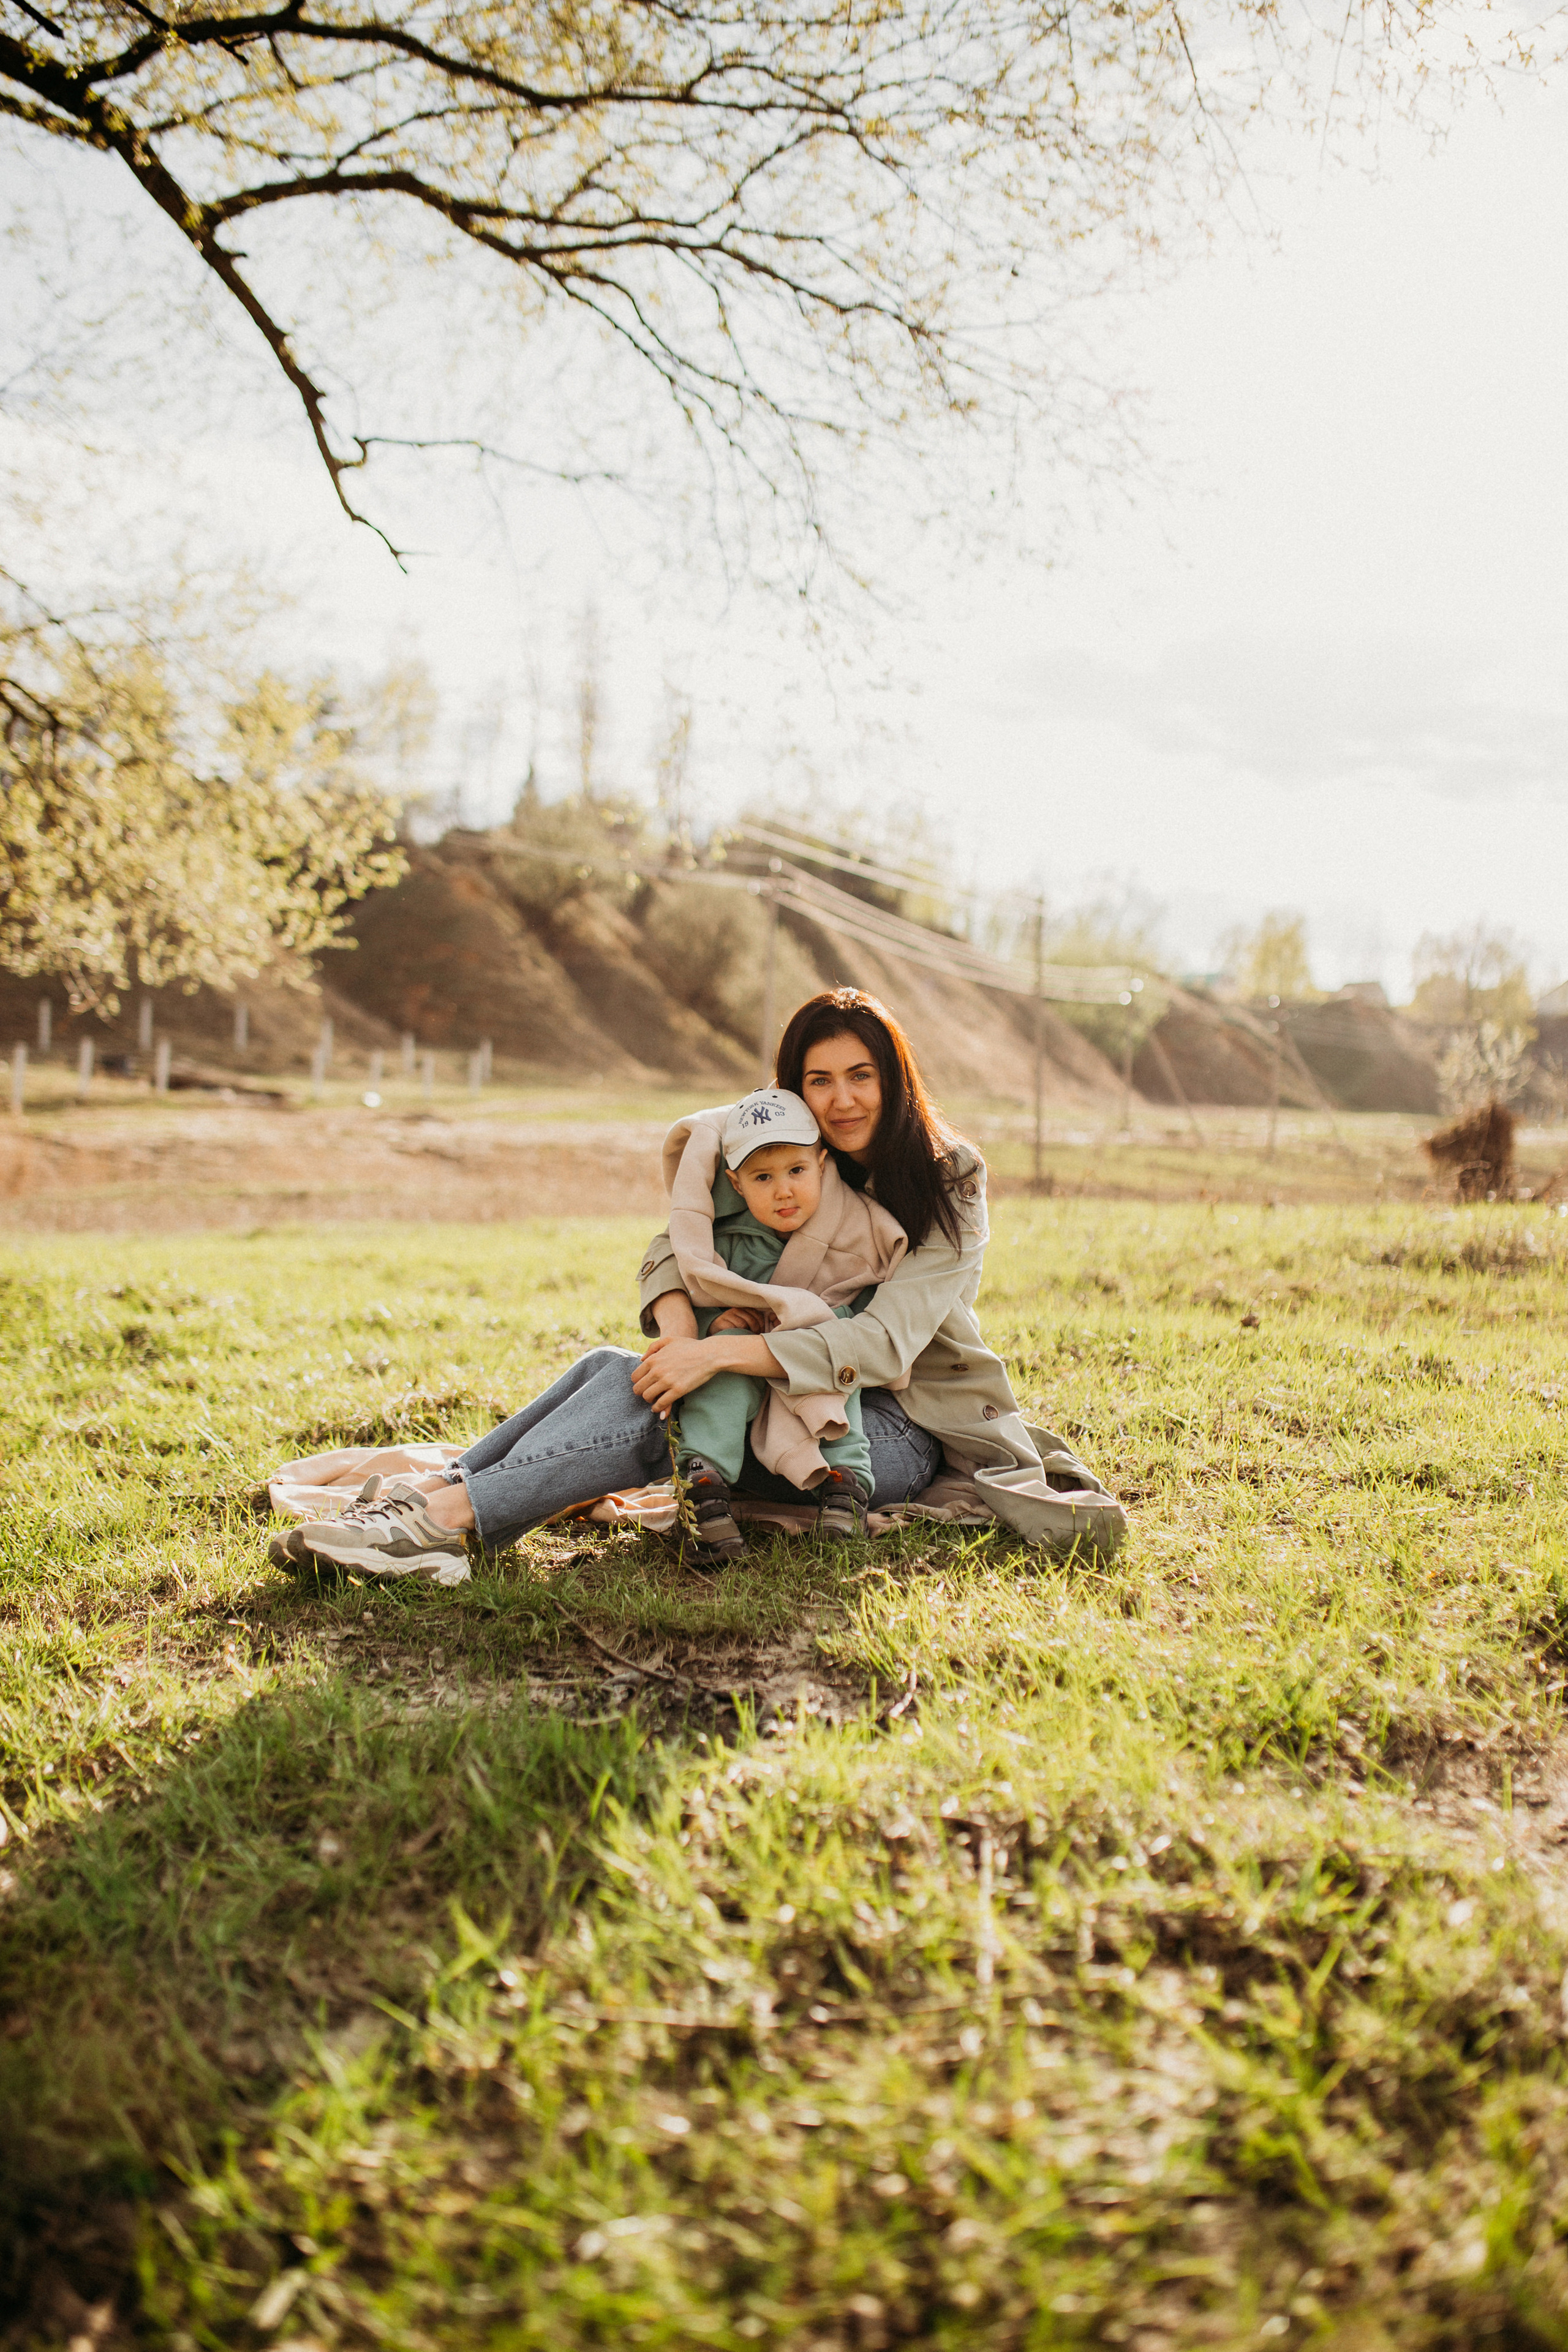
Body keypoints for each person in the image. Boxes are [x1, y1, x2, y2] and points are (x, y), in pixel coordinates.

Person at [284, 988, 1040, 1578]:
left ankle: (443, 1522)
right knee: (622, 1370)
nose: (842, 1100)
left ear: (893, 1079)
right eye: (821, 1080)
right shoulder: (787, 1147)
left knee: (664, 1402)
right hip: (778, 1387)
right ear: (794, 1089)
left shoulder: (948, 1176)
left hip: (892, 1430)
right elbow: (676, 1245)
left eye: (861, 1077)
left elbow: (881, 1345)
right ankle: (433, 1499)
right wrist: (681, 1336)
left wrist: (710, 1358)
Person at [660, 1085, 900, 1562]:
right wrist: (716, 1322)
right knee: (721, 1373)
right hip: (743, 1359)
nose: (783, 1190)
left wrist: (823, 1322)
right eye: (763, 1177)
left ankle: (845, 1483)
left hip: (813, 1361)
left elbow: (870, 1313)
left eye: (797, 1171)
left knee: (835, 1364)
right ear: (736, 1184)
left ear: (823, 1165)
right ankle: (705, 1487)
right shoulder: (727, 1240)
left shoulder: (859, 1229)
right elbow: (698, 1287)